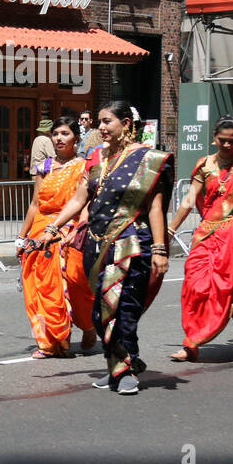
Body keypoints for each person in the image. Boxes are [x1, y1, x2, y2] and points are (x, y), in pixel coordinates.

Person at [40, 101, 174, 394]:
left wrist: (162, 250)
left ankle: (125, 370)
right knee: (101, 311)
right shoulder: (96, 158)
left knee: (123, 309)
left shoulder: (148, 159)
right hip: (97, 244)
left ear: (127, 124)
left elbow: (155, 208)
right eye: (99, 122)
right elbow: (79, 199)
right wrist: (53, 227)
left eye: (107, 121)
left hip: (132, 245)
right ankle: (117, 366)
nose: (100, 128)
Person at [15, 116, 97, 358]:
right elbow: (34, 204)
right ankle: (50, 342)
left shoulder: (84, 166)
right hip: (39, 230)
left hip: (68, 228)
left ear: (76, 138)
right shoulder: (45, 167)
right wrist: (21, 237)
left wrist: (77, 229)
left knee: (72, 282)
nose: (59, 138)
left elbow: (85, 203)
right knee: (36, 286)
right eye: (56, 134)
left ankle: (88, 326)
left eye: (65, 134)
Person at [166, 116, 233, 361]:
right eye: (222, 140)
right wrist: (170, 230)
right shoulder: (204, 165)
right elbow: (188, 200)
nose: (227, 145)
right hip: (206, 233)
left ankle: (191, 345)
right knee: (195, 287)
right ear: (214, 138)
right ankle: (192, 341)